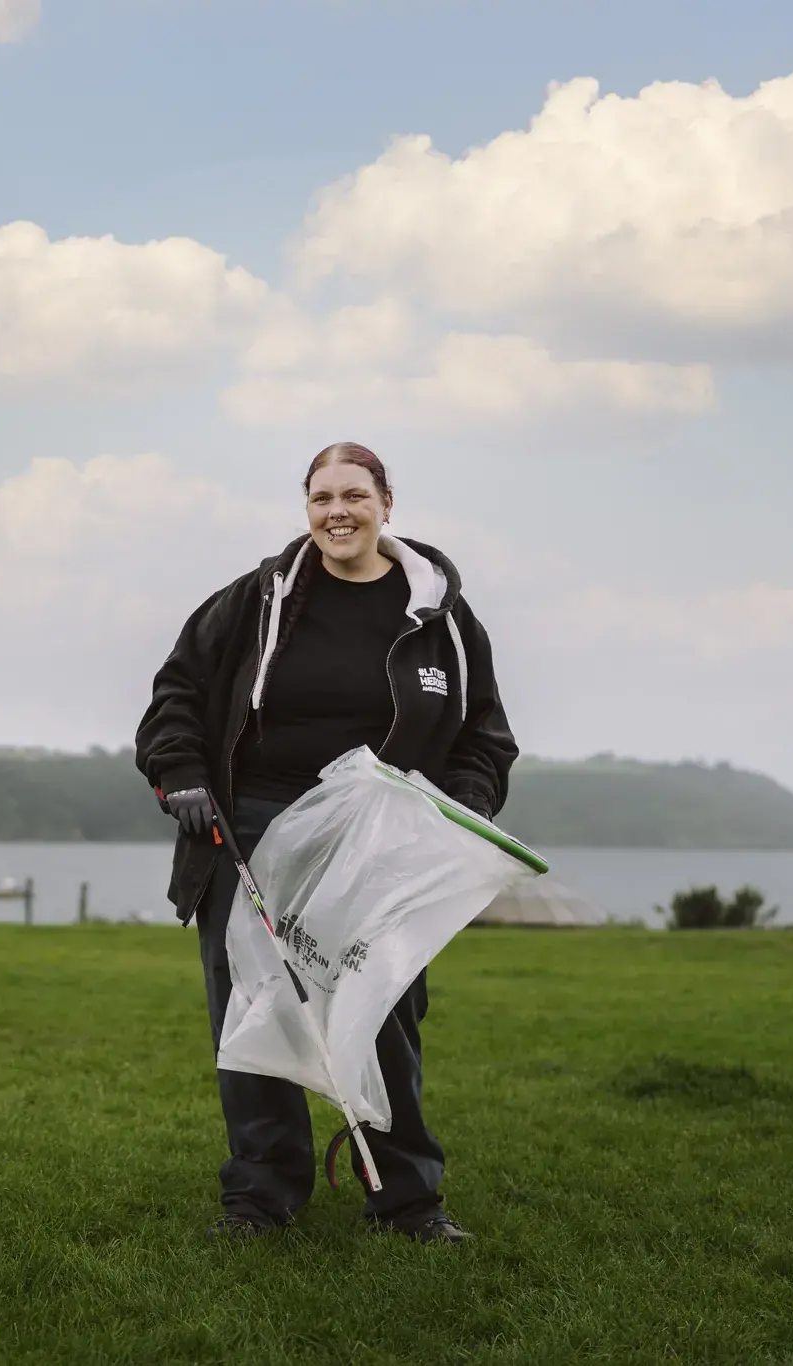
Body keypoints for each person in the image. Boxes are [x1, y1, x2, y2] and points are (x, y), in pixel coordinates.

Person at [135, 442, 517, 1245]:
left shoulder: (440, 617)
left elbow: (486, 737)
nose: (336, 512)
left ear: (386, 503)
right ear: (306, 509)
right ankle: (260, 1200)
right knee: (254, 1007)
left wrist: (457, 812)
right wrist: (181, 773)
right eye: (320, 499)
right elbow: (178, 690)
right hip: (255, 828)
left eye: (353, 495)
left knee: (385, 1009)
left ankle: (409, 1202)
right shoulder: (258, 598)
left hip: (380, 843)